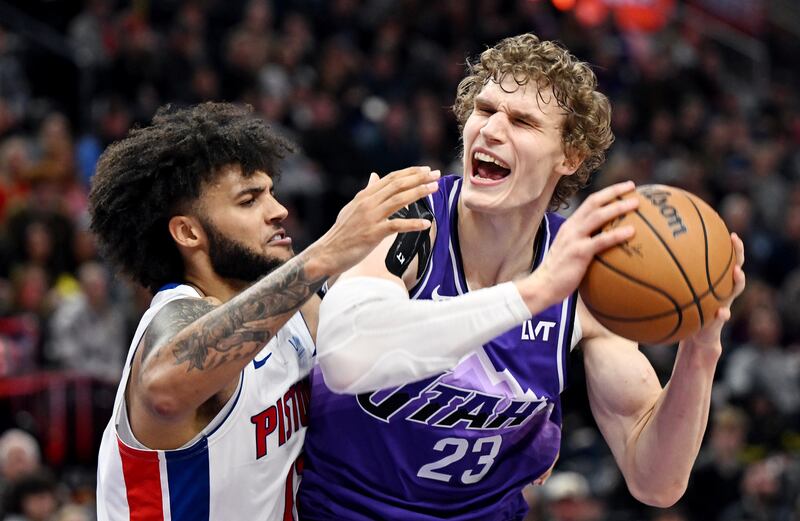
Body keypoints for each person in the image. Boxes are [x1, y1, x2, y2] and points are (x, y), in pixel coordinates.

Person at [298, 33, 746, 520]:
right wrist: (533, 292)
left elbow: (655, 480)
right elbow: (345, 355)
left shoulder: (589, 279)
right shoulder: (406, 216)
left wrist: (702, 349)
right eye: (484, 110)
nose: (490, 130)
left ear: (569, 156)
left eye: (522, 121)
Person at [90, 102, 439, 520]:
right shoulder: (175, 315)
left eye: (270, 192)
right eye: (249, 200)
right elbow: (163, 386)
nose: (278, 210)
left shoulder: (293, 311)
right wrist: (327, 252)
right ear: (188, 232)